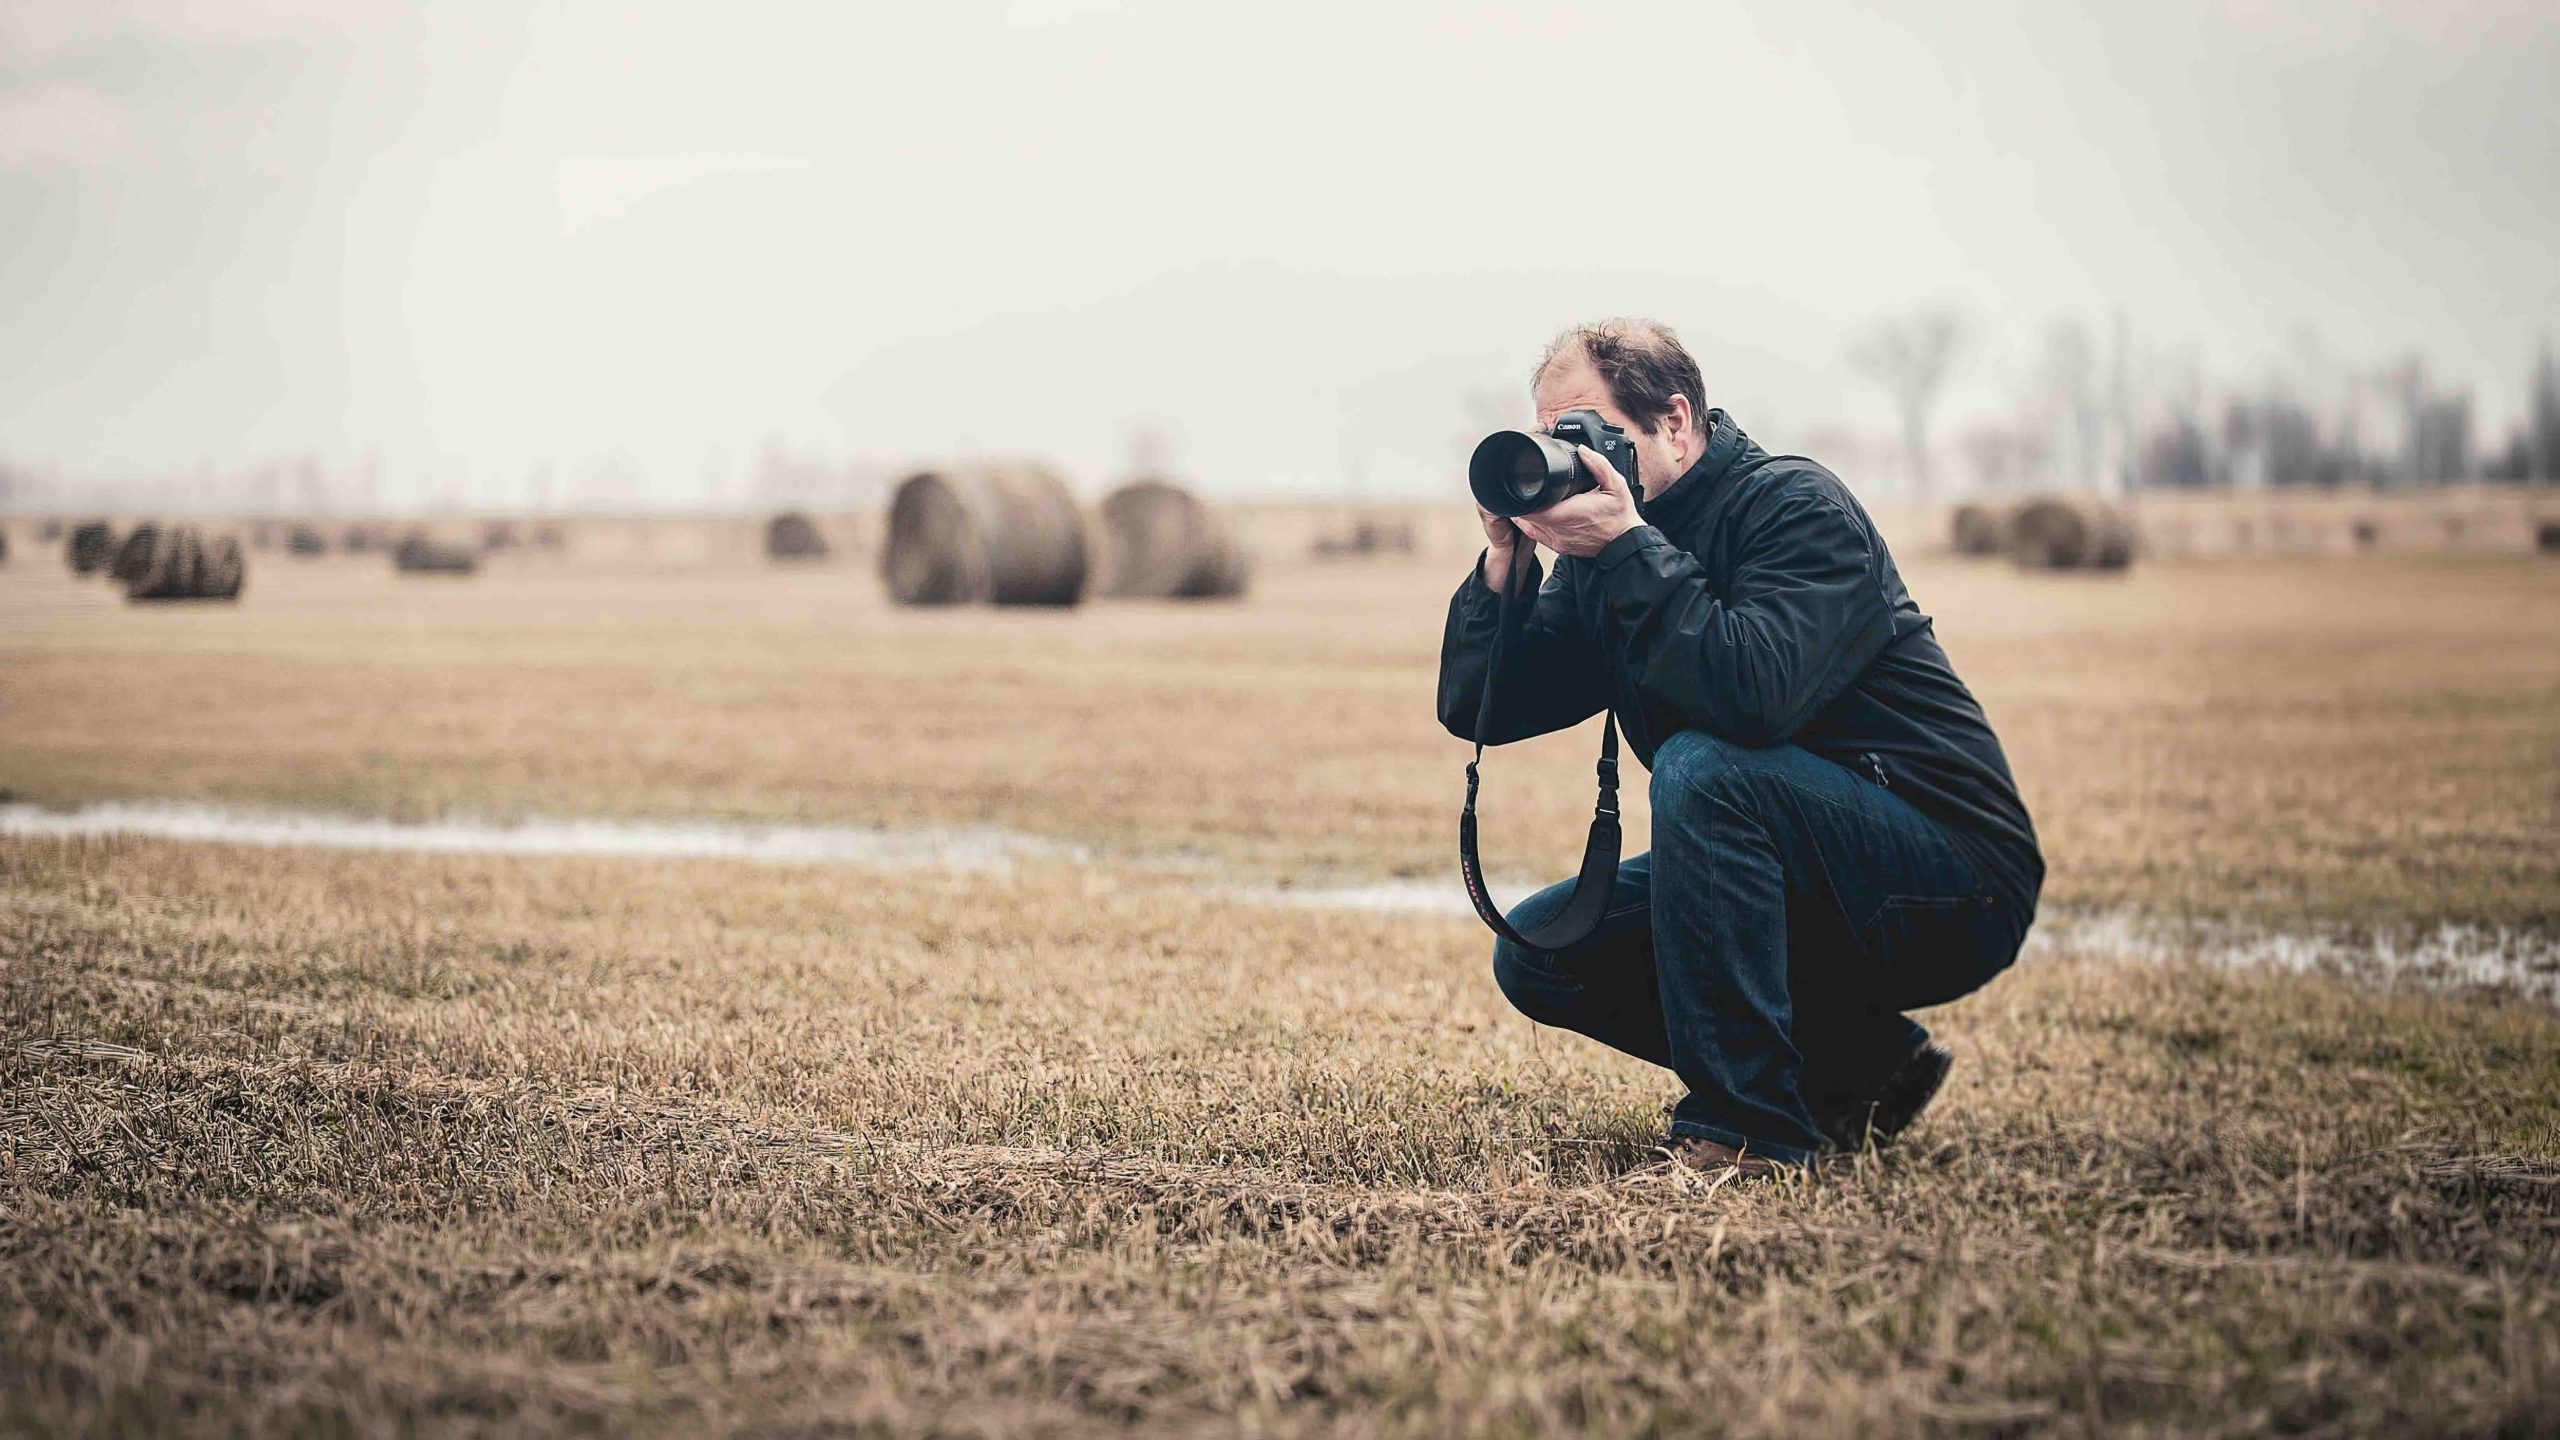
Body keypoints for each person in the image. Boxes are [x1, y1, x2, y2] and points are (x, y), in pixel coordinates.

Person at [1438, 318, 2042, 1177]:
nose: (1565, 458)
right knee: (1543, 947)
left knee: (1704, 768)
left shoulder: (1796, 507)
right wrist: (1505, 563)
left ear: (1675, 422)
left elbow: (1750, 697)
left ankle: (1747, 1134)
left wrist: (1627, 549)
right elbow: (1482, 708)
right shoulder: (1603, 555)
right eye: (1548, 438)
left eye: (1583, 432)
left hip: (1950, 877)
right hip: (1795, 876)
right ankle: (1861, 1069)